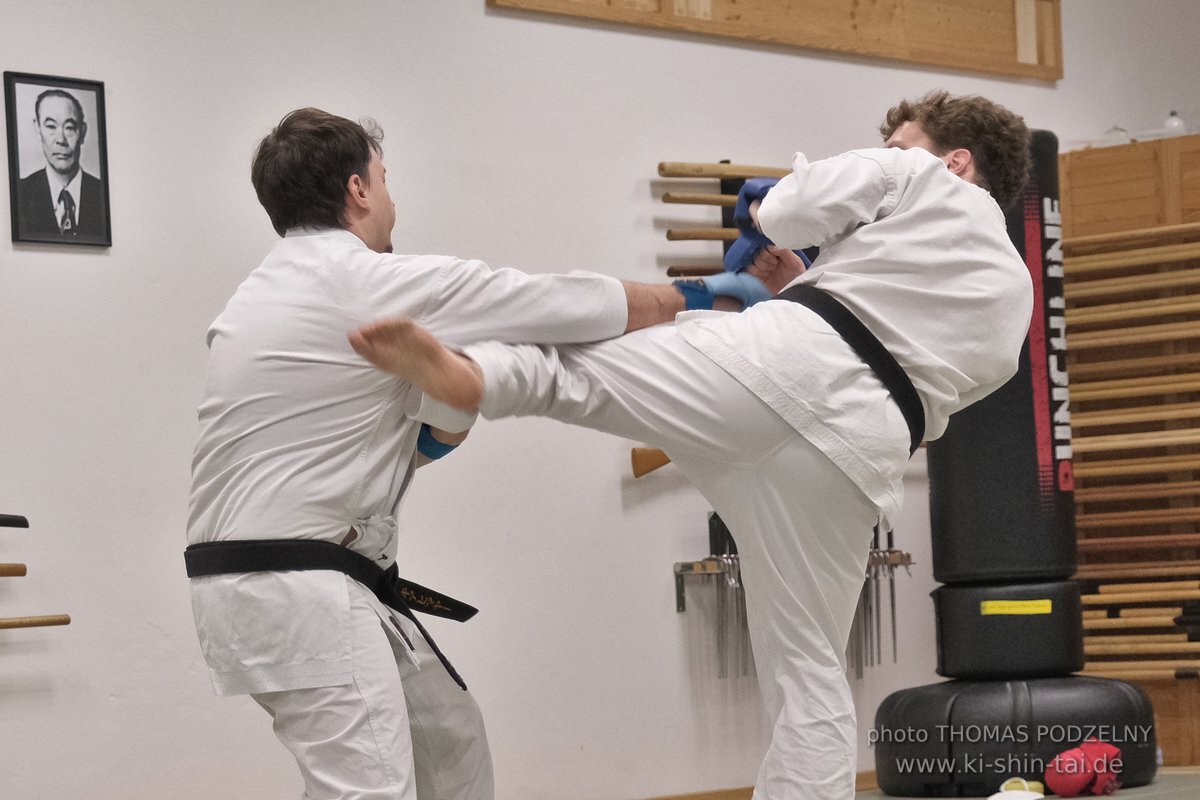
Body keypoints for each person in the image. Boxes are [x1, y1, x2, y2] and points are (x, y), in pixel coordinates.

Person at [347, 91, 1035, 800]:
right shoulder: (1014, 298)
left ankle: (476, 375)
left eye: (902, 146)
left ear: (955, 160)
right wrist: (807, 285)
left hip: (782, 370)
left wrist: (770, 205)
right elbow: (901, 349)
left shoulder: (920, 177)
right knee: (811, 675)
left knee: (585, 367)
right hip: (858, 456)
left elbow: (795, 211)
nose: (892, 157)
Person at [183, 106, 767, 800]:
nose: (390, 196)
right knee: (365, 790)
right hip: (300, 586)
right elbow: (552, 304)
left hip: (289, 580)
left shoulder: (264, 298)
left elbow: (406, 441)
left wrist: (451, 402)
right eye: (384, 177)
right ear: (358, 190)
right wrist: (695, 295)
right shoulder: (362, 282)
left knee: (449, 743)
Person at [16, 88, 108, 241]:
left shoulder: (102, 194)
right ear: (38, 129)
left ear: (83, 132)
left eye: (69, 128)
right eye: (51, 127)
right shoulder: (20, 194)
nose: (61, 140)